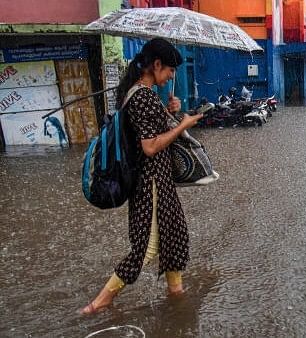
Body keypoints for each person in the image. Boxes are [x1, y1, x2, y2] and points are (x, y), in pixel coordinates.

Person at [80, 38, 204, 315]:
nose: (172, 75)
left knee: (175, 236)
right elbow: (150, 146)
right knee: (144, 250)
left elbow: (149, 131)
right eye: (170, 70)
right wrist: (183, 123)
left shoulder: (141, 94)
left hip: (161, 182)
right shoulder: (143, 95)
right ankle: (99, 303)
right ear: (156, 65)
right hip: (151, 184)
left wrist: (169, 112)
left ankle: (176, 293)